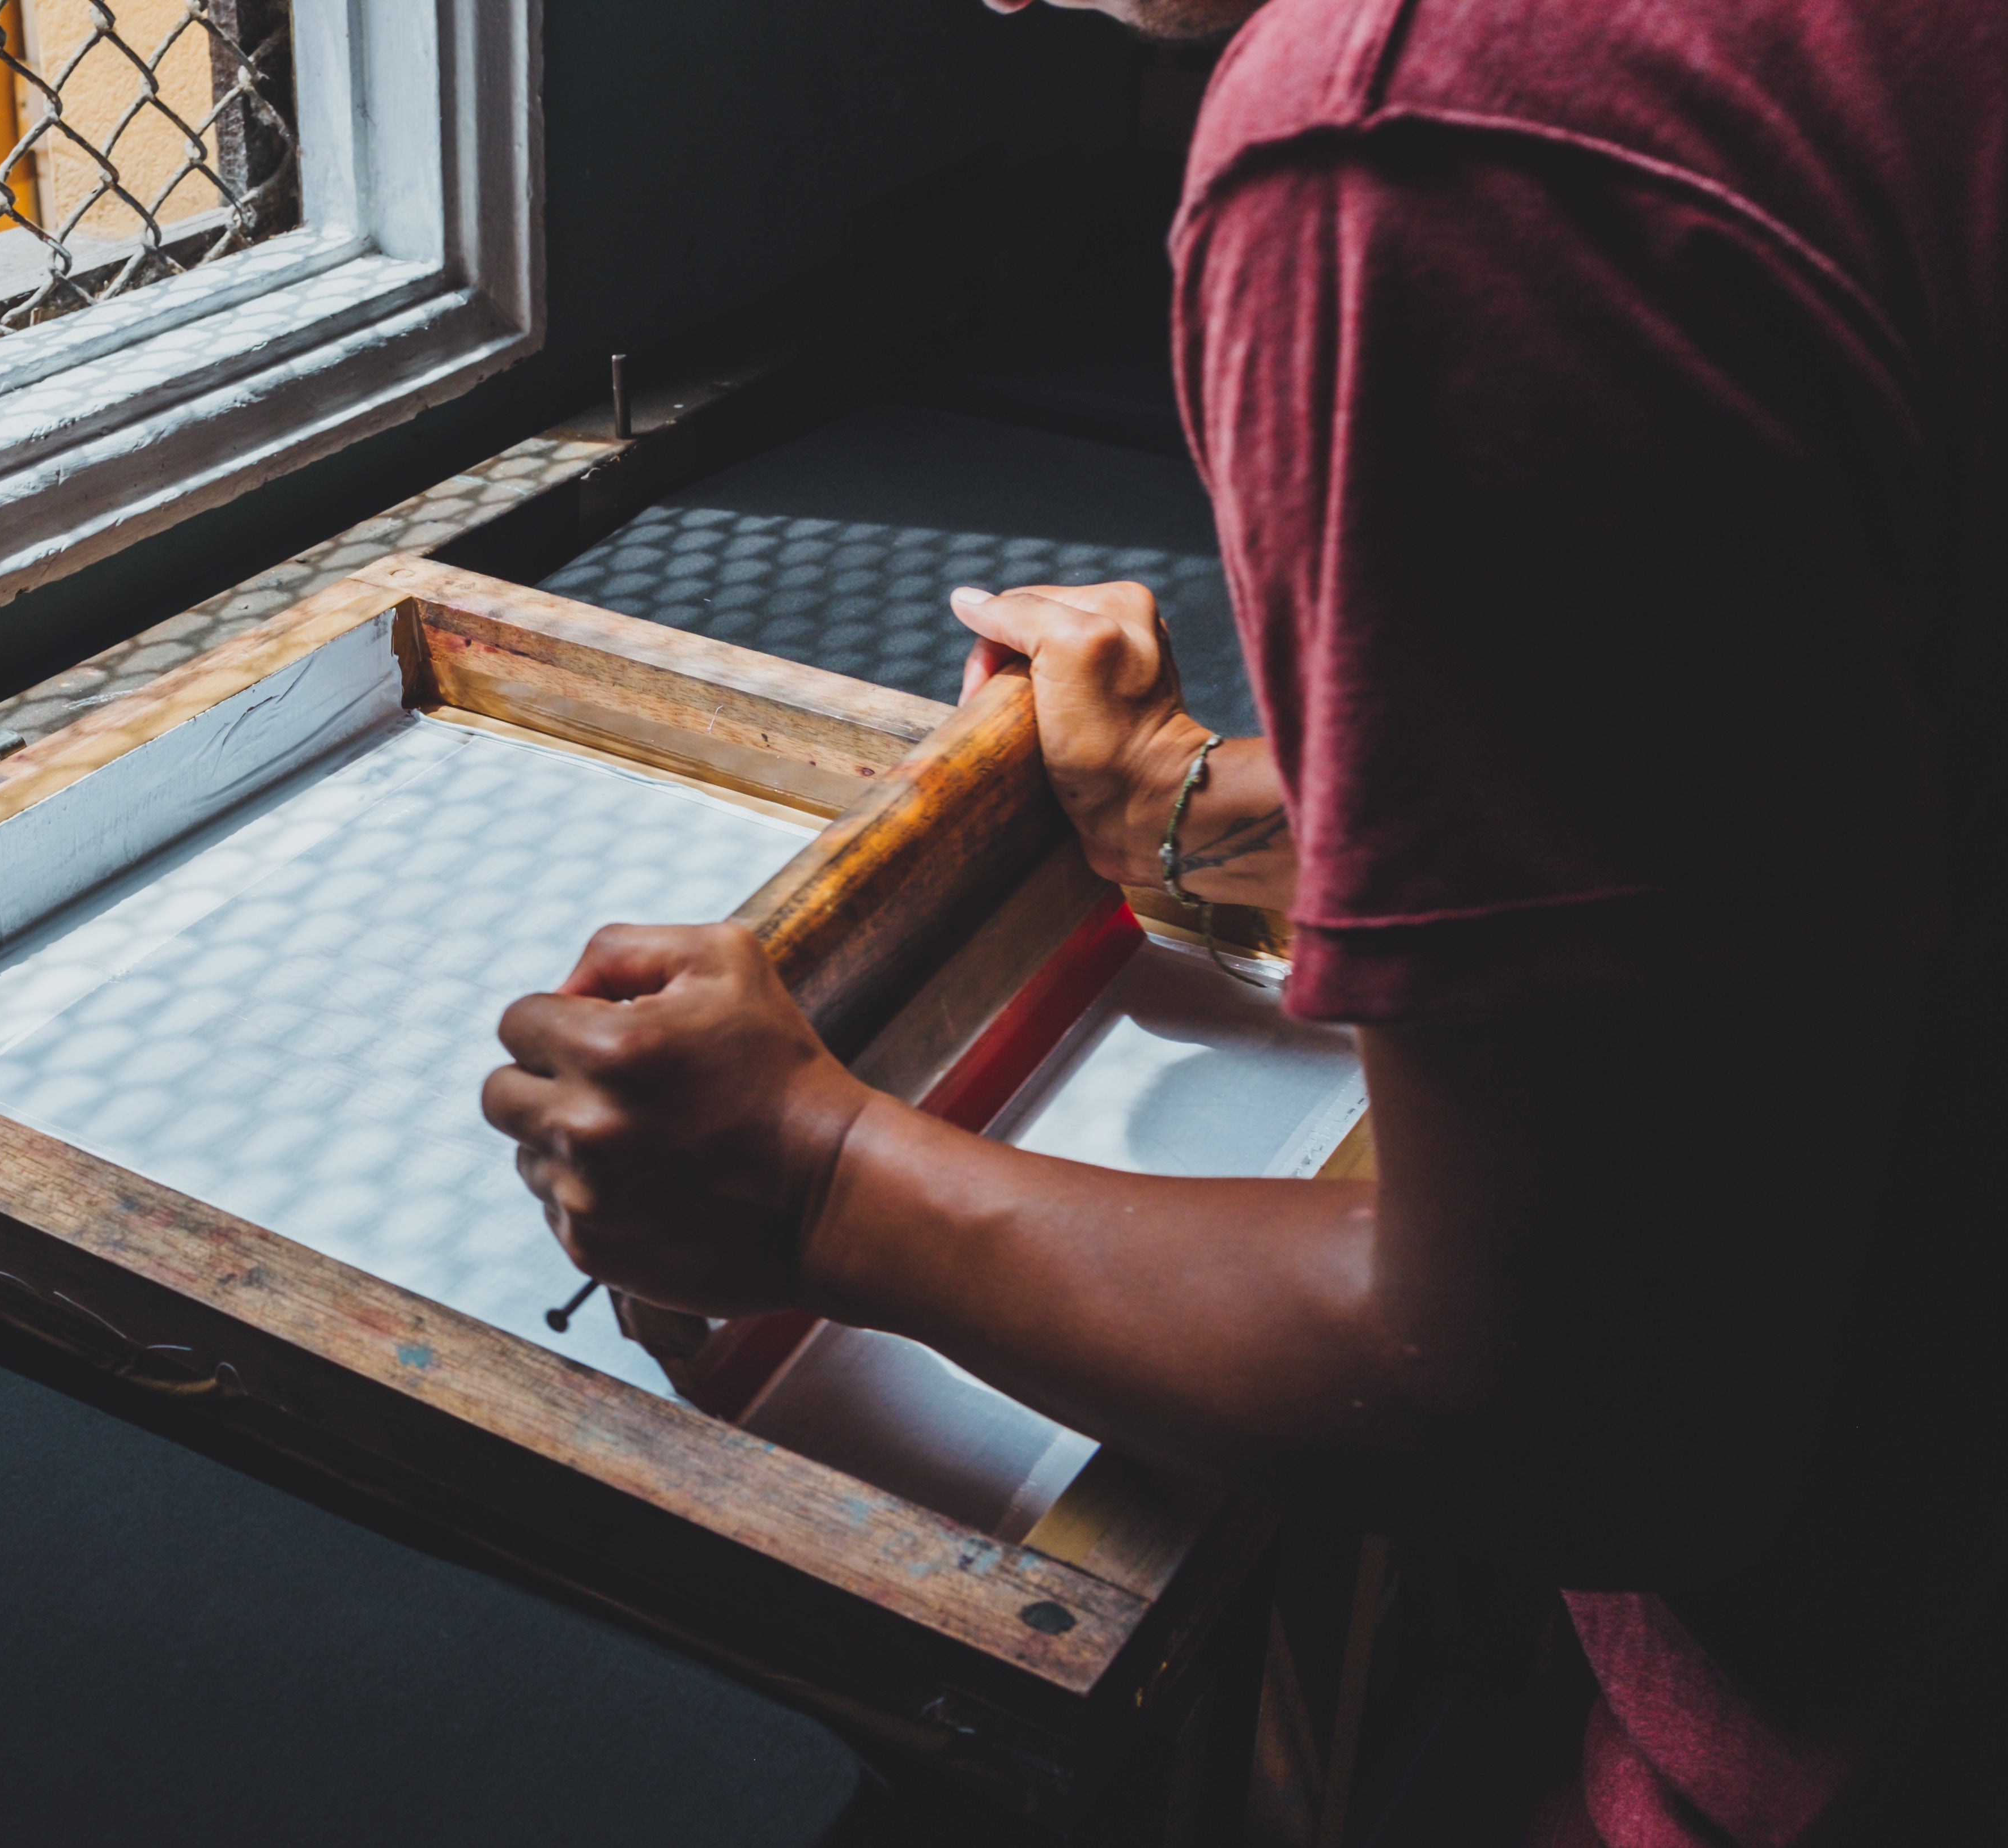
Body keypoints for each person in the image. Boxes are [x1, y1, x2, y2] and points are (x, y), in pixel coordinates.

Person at [482, 0, 2004, 1842]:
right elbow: (1824, 740)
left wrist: (812, 1180)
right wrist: (1212, 810)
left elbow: (1601, 1408)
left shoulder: (1429, 140)